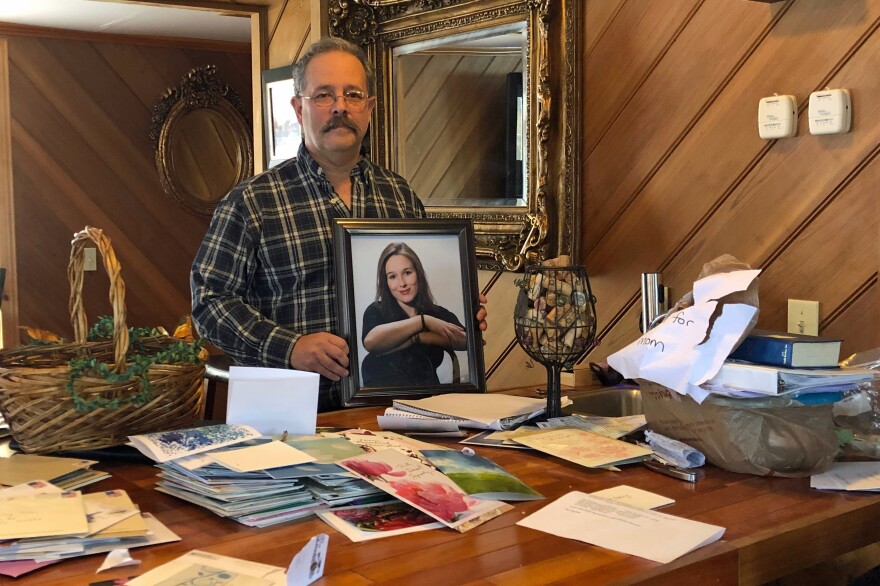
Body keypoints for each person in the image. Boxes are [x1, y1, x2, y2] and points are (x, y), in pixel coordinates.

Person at [191, 37, 487, 412]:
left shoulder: (398, 194)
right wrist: (290, 347)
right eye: (324, 96)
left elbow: (416, 300)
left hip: (393, 412)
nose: (340, 108)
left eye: (353, 95)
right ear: (299, 108)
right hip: (287, 418)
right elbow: (209, 304)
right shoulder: (251, 201)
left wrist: (464, 308)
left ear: (370, 108)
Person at [361, 242, 467, 387]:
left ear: (419, 273)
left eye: (407, 273)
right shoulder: (376, 310)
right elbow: (371, 343)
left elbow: (465, 342)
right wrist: (423, 322)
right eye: (393, 277)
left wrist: (419, 337)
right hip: (381, 400)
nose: (402, 283)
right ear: (386, 282)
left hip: (428, 399)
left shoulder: (437, 312)